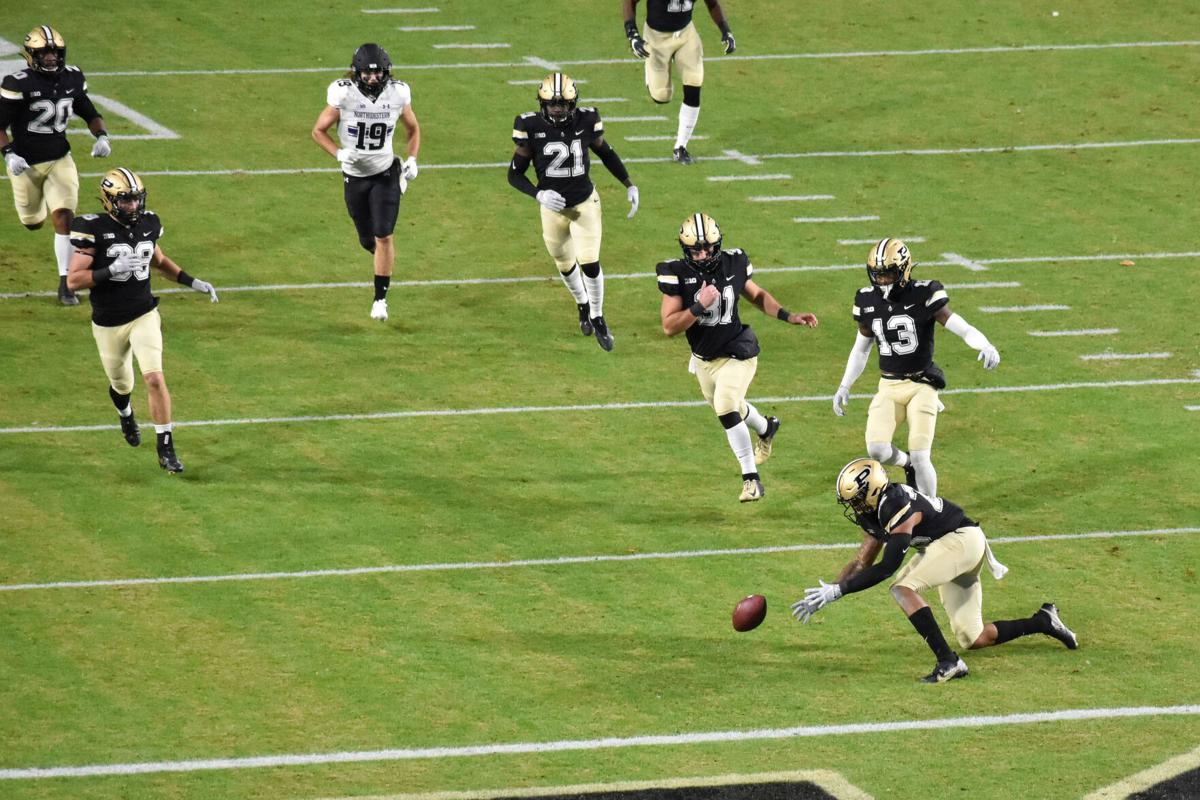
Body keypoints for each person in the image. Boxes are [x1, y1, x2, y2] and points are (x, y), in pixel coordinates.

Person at [790, 458, 1079, 683]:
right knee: (974, 637)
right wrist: (827, 592)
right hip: (947, 549)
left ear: (873, 489)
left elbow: (888, 567)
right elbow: (862, 561)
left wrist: (838, 592)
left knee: (902, 588)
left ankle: (948, 661)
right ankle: (1043, 621)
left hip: (961, 542)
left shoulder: (896, 503)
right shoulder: (874, 511)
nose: (853, 505)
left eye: (855, 498)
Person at [66, 168, 219, 473]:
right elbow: (73, 281)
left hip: (144, 314)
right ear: (110, 201)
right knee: (122, 384)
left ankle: (166, 447)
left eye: (136, 199)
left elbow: (159, 261)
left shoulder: (148, 224)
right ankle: (125, 412)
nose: (133, 206)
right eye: (126, 201)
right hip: (109, 322)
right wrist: (110, 269)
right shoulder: (93, 229)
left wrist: (193, 282)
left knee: (154, 377)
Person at [657, 213, 818, 502]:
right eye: (696, 250)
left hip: (737, 351)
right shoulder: (675, 272)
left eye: (708, 248)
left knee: (725, 405)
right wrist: (697, 307)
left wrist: (788, 315)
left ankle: (751, 480)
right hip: (704, 359)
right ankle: (767, 427)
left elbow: (756, 295)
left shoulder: (735, 262)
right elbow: (669, 327)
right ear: (685, 249)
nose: (703, 254)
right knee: (734, 407)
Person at [831, 238, 1001, 497]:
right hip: (888, 385)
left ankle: (932, 512)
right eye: (878, 275)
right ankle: (905, 463)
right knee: (876, 449)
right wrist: (845, 384)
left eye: (888, 274)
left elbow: (960, 325)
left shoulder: (924, 293)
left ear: (904, 270)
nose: (883, 281)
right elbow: (861, 348)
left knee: (922, 455)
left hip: (922, 384)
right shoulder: (866, 299)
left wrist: (984, 344)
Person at [508, 73, 639, 352]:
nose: (557, 108)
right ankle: (582, 303)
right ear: (542, 103)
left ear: (573, 103)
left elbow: (606, 153)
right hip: (552, 208)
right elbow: (514, 174)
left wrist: (629, 183)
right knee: (564, 263)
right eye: (552, 103)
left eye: (563, 103)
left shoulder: (586, 121)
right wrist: (538, 194)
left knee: (589, 261)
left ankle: (598, 316)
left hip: (583, 204)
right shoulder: (529, 127)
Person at [1, 25, 112, 306]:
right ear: (31, 55)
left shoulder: (72, 77)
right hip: (25, 164)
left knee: (64, 218)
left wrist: (101, 136)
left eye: (55, 52)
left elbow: (88, 110)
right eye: (45, 52)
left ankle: (66, 283)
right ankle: (36, 221)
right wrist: (9, 154)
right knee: (32, 222)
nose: (51, 57)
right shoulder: (17, 83)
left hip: (60, 158)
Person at [312, 43, 420, 322]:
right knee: (368, 240)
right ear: (356, 73)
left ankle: (380, 300)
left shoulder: (398, 93)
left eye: (378, 73)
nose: (373, 79)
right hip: (355, 175)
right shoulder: (343, 94)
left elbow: (413, 128)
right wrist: (338, 153)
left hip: (386, 173)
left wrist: (412, 158)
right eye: (367, 74)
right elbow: (318, 130)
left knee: (384, 234)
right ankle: (382, 258)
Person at [622, 0, 736, 164]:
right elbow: (629, 2)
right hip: (656, 38)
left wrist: (726, 31)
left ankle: (680, 147)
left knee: (694, 81)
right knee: (661, 95)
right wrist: (632, 34)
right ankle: (652, 76)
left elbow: (713, 4)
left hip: (685, 34)